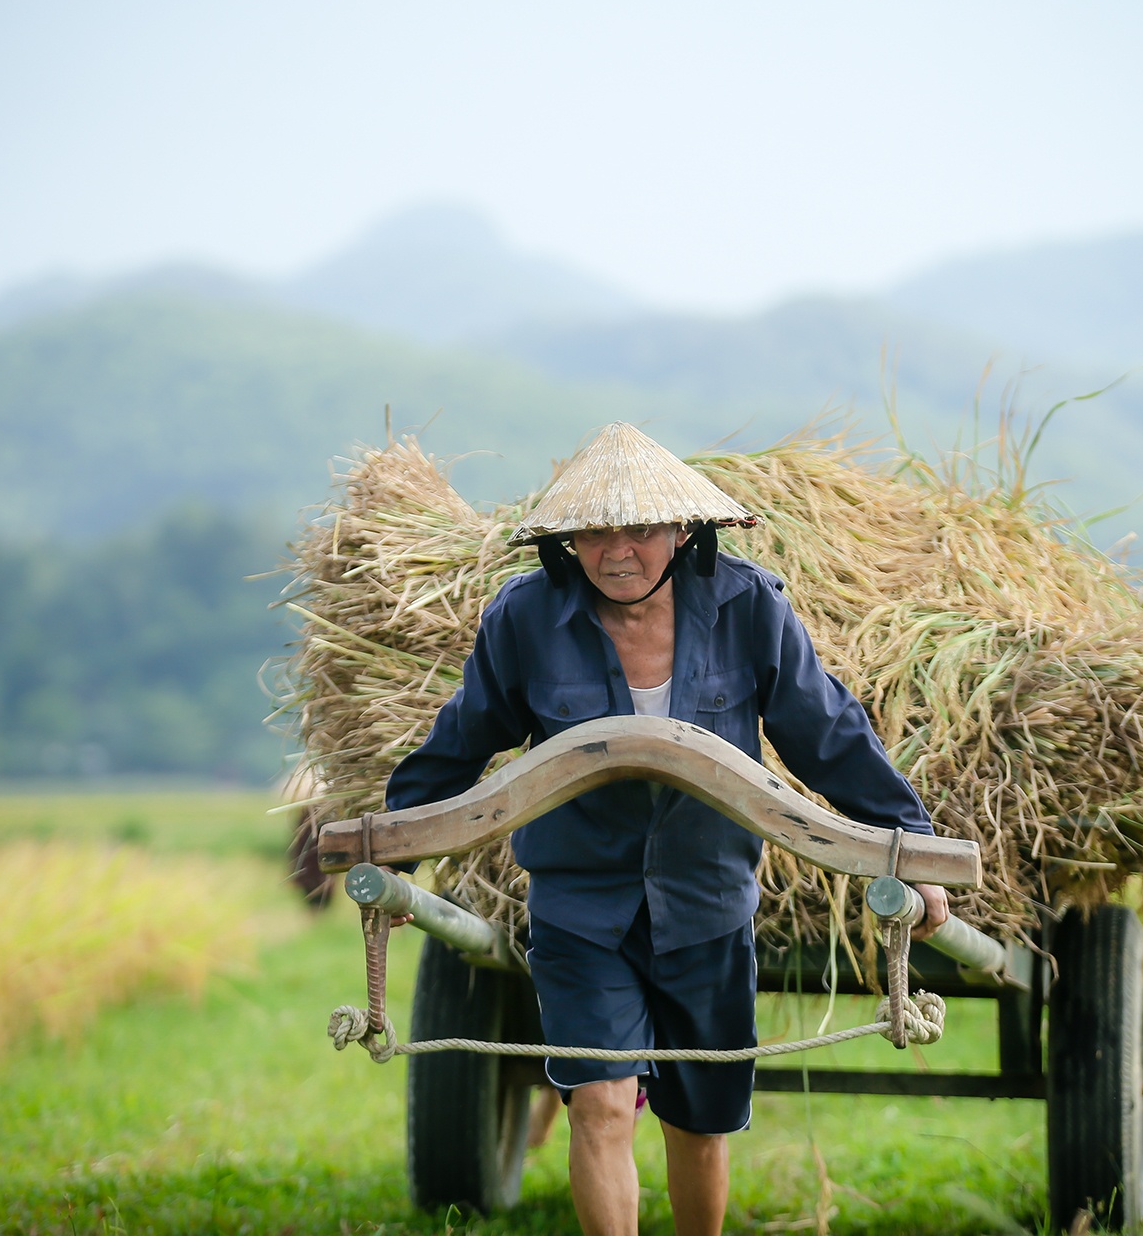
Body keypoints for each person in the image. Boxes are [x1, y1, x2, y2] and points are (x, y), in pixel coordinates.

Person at [385, 423, 948, 1236]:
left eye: (641, 530)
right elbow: (463, 738)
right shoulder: (524, 618)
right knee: (601, 1103)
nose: (618, 552)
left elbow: (826, 732)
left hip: (707, 899)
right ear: (566, 541)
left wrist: (910, 846)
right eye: (596, 533)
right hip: (580, 903)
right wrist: (397, 851)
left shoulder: (748, 606)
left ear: (683, 531)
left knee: (699, 1121)